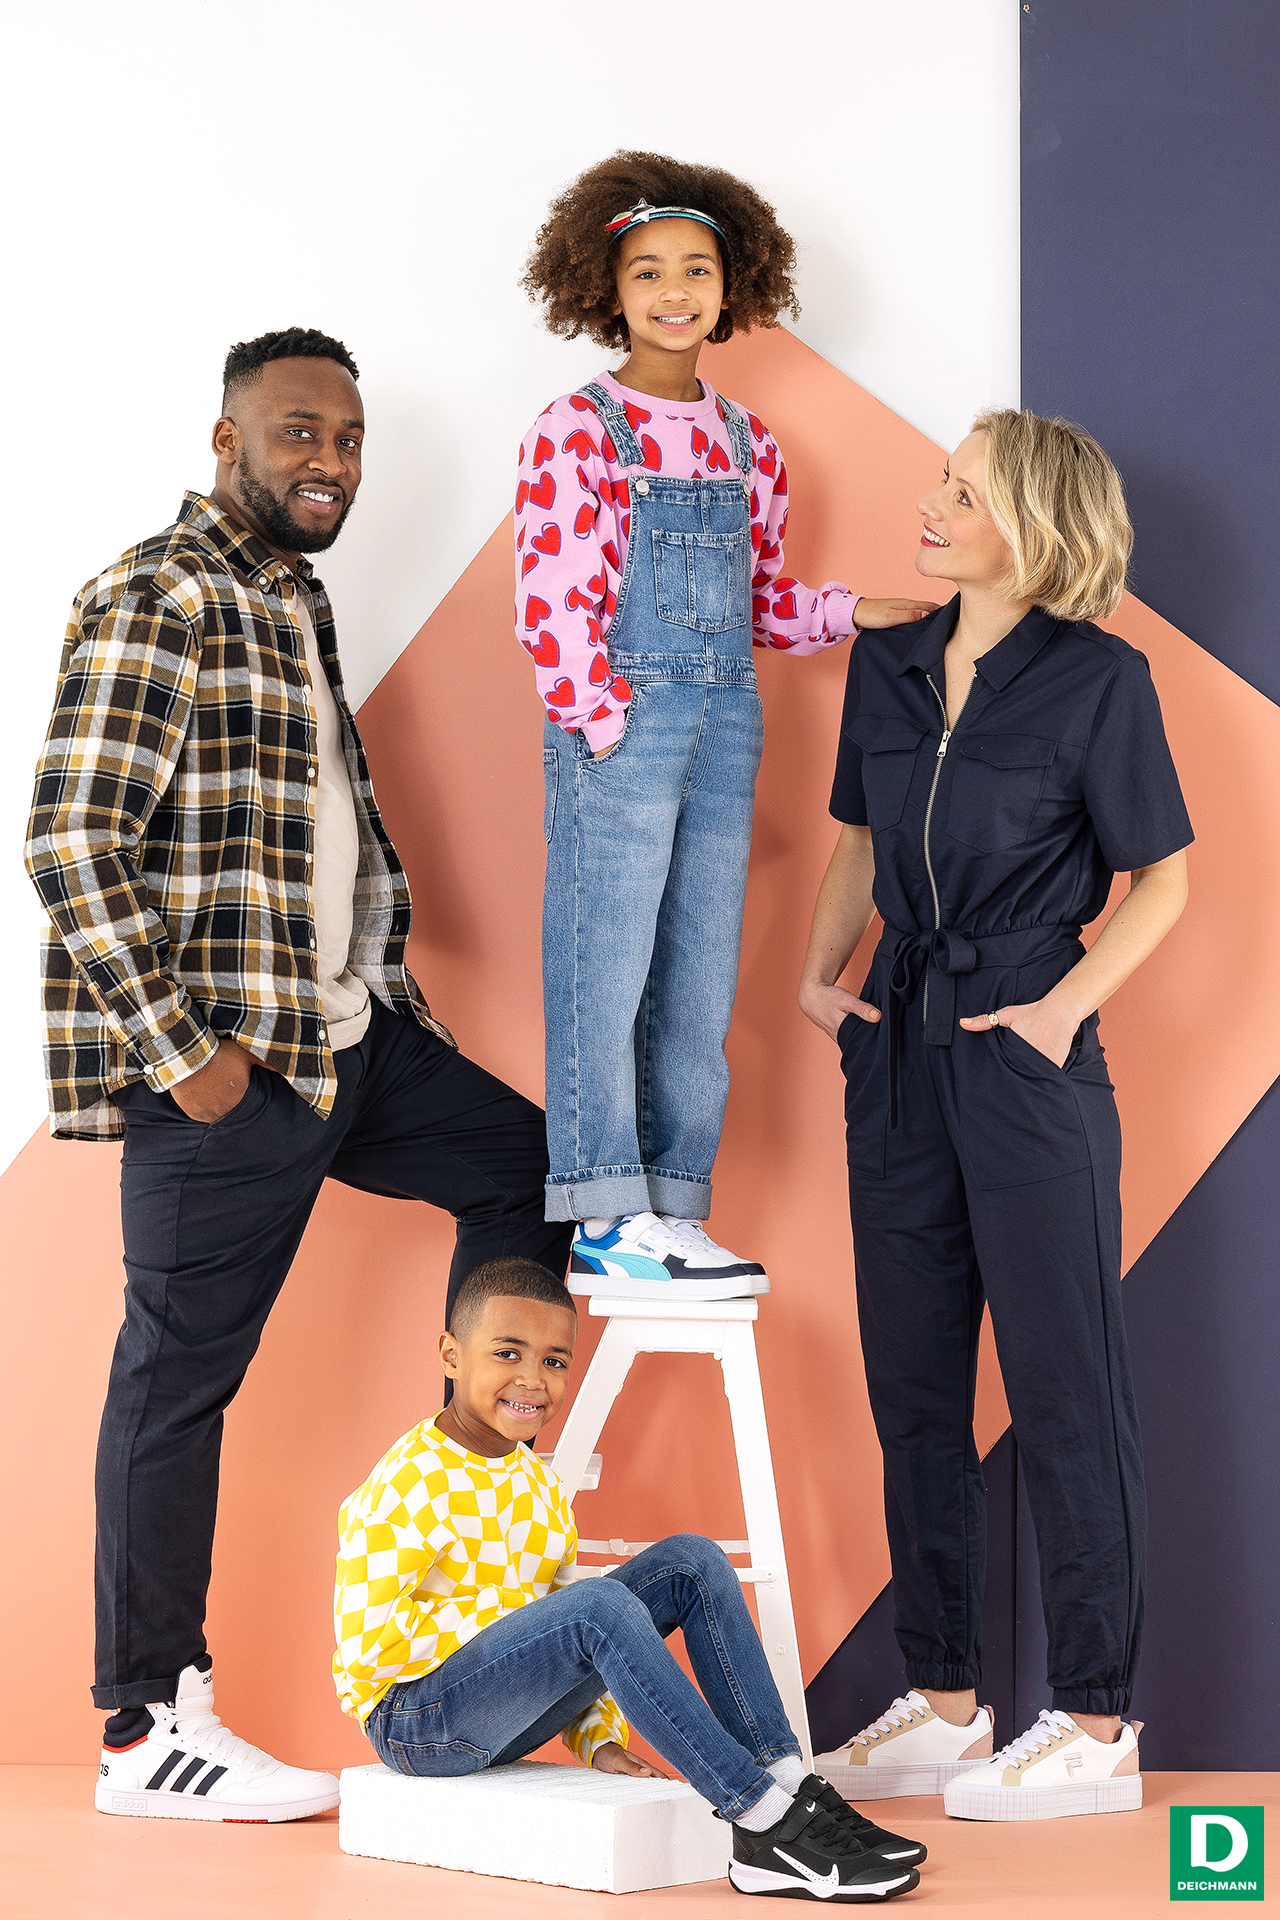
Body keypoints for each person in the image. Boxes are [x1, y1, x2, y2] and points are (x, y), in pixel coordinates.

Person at [25, 328, 573, 1822]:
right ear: (227, 442)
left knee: (530, 1163)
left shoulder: (293, 598)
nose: (329, 461)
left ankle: (468, 1489)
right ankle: (147, 1729)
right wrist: (186, 1057)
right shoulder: (161, 592)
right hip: (229, 1066)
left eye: (347, 439)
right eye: (298, 434)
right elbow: (70, 839)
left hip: (347, 1040)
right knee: (173, 1387)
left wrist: (378, 1008)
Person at [798, 409, 1191, 1821]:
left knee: (1066, 1391)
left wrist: (1060, 1010)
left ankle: (1091, 1721)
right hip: (897, 1047)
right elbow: (857, 839)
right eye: (940, 484)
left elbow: (1162, 880)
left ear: (1030, 531)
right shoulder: (891, 662)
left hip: (1024, 1053)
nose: (930, 503)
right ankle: (947, 1704)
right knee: (913, 1391)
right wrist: (817, 978)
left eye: (960, 493)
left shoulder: (1100, 681)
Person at [516, 151, 936, 1302]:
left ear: (731, 284)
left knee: (697, 978)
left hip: (724, 729)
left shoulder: (749, 443)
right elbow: (551, 605)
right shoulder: (578, 427)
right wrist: (603, 729)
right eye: (647, 270)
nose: (673, 290)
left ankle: (672, 1206)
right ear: (605, 289)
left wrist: (852, 611)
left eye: (695, 269)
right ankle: (601, 1211)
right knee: (603, 974)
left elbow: (757, 604)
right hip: (623, 729)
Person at [334, 1256, 926, 1902]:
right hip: (414, 1725)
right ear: (451, 1355)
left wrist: (600, 1744)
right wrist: (515, 1617)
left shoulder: (537, 1486)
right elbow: (366, 1649)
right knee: (596, 1606)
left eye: (555, 1361)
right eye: (507, 1353)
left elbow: (558, 1649)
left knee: (693, 1562)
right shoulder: (408, 1482)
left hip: (497, 1718)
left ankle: (787, 1783)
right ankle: (761, 1820)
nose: (532, 1379)